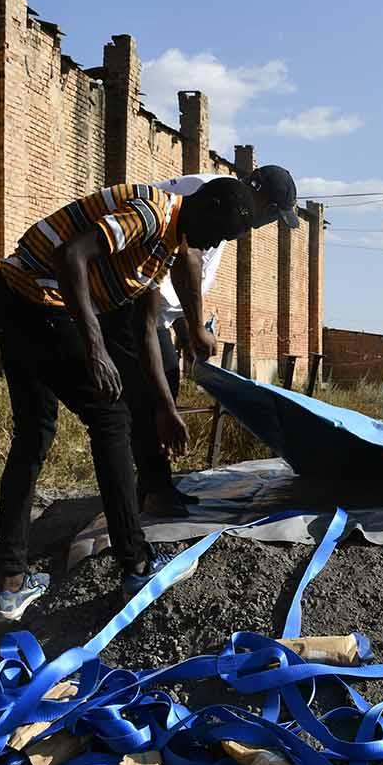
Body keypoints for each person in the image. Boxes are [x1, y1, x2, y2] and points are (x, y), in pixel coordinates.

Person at [0, 179, 256, 622]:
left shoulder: (168, 245)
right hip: (39, 298)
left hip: (12, 293)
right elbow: (70, 254)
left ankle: (10, 586)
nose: (215, 245)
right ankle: (135, 565)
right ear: (205, 207)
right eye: (219, 232)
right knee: (110, 417)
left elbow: (144, 327)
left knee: (35, 433)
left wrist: (165, 407)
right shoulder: (151, 216)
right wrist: (94, 347)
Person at [139, 165, 300, 517]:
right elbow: (186, 257)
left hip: (149, 306)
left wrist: (185, 329)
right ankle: (149, 495)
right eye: (274, 215)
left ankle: (154, 489)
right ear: (264, 203)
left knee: (161, 384)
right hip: (132, 300)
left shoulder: (227, 205)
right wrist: (197, 329)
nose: (270, 223)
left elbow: (182, 278)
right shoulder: (216, 200)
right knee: (149, 397)